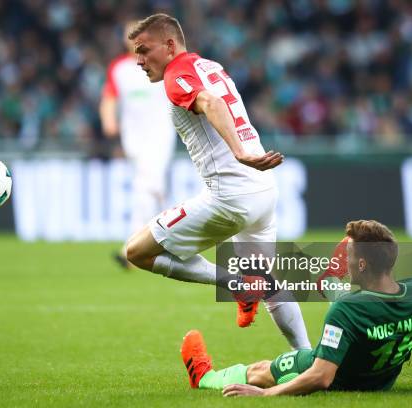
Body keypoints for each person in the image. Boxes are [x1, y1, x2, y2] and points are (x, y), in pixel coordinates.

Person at [124, 13, 310, 350]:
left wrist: (238, 152)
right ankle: (308, 357)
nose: (139, 60)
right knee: (268, 284)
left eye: (144, 50)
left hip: (231, 197)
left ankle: (235, 283)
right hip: (264, 190)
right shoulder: (210, 66)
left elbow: (210, 102)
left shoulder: (176, 74)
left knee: (136, 252)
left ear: (169, 45)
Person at [181, 220, 412, 396]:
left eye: (349, 256)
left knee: (261, 369)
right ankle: (328, 280)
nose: (348, 261)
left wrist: (265, 393)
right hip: (380, 381)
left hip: (343, 378)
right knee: (352, 304)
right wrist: (401, 335)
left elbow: (321, 377)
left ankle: (204, 378)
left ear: (361, 265)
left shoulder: (346, 311)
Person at [99, 21, 176, 269]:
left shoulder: (162, 62)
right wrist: (109, 121)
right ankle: (172, 241)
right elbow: (109, 97)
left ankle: (131, 249)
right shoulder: (119, 68)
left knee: (144, 186)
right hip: (133, 139)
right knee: (155, 190)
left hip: (161, 135)